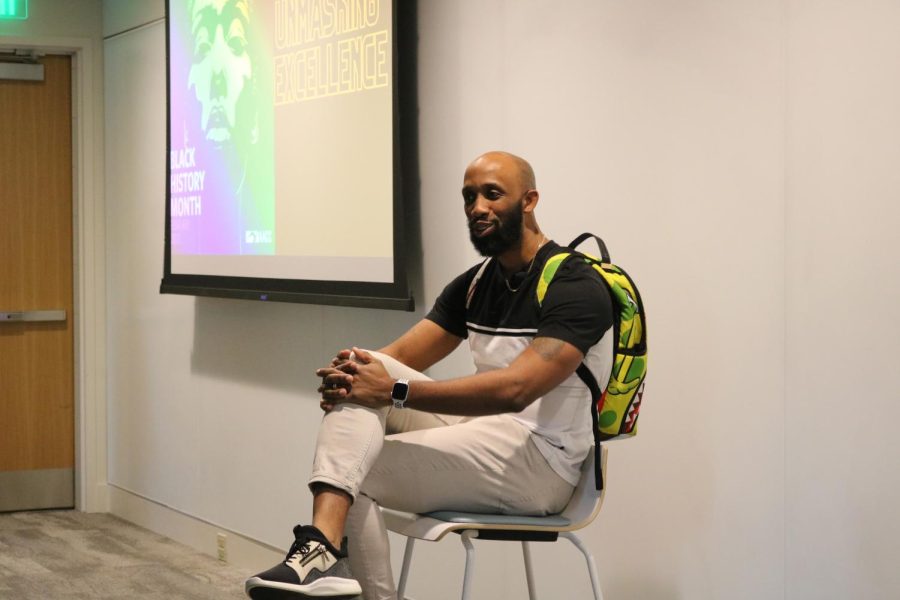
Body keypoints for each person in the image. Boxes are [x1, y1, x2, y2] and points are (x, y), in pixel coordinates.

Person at [244, 151, 615, 600]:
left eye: (492, 195)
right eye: (469, 197)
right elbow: (394, 358)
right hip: (483, 436)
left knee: (353, 473)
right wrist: (351, 379)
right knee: (362, 366)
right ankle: (322, 553)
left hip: (544, 465)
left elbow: (517, 390)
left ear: (529, 200)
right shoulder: (477, 283)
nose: (477, 207)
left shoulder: (576, 285)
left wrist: (395, 391)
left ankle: (324, 554)